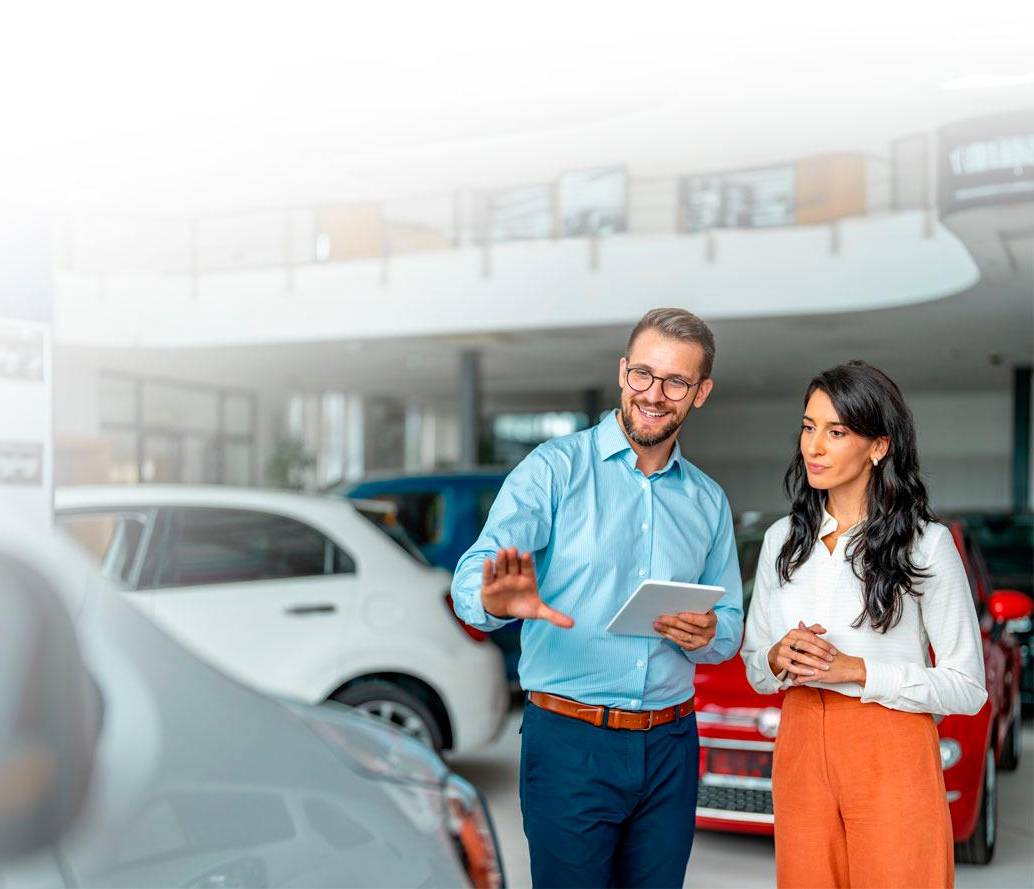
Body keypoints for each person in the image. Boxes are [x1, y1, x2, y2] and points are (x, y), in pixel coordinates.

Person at [452, 308, 744, 889]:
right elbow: (471, 576)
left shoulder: (708, 502)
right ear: (621, 373)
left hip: (670, 747)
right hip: (570, 745)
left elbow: (731, 620)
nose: (654, 395)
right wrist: (494, 596)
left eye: (676, 382)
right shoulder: (554, 470)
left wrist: (712, 634)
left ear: (700, 393)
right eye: (642, 374)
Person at [740, 361, 987, 889]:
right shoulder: (781, 541)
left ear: (878, 446)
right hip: (801, 744)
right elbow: (756, 669)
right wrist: (777, 658)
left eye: (836, 432)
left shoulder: (926, 544)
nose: (814, 447)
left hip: (891, 748)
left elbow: (968, 688)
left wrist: (858, 671)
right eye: (808, 427)